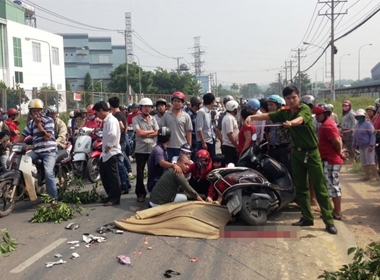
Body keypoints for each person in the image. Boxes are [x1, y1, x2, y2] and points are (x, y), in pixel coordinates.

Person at [245, 86, 337, 235]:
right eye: (288, 98)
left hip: (312, 154)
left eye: (294, 97)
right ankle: (307, 217)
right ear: (285, 100)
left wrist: (291, 123)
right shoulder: (286, 112)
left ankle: (329, 221)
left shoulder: (305, 109)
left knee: (320, 187)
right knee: (300, 187)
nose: (292, 100)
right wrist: (252, 117)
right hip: (296, 153)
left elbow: (301, 119)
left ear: (298, 96)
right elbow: (269, 116)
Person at [15, 99, 58, 206]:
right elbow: (22, 137)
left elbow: (47, 137)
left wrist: (39, 124)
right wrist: (11, 143)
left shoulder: (49, 120)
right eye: (33, 111)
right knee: (21, 163)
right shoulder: (30, 123)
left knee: (48, 173)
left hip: (49, 151)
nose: (35, 113)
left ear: (41, 111)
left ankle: (54, 199)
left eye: (37, 111)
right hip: (36, 150)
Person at [313, 104, 344, 220]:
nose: (316, 117)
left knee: (333, 185)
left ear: (325, 114)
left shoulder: (328, 125)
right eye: (316, 114)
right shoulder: (325, 125)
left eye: (319, 114)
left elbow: (337, 142)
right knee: (329, 185)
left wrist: (339, 152)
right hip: (328, 159)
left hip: (331, 159)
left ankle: (337, 211)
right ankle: (332, 210)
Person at [93, 101, 122, 206]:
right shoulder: (107, 120)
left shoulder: (111, 120)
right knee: (105, 176)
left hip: (111, 152)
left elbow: (113, 134)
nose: (97, 115)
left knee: (112, 177)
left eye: (97, 112)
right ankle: (110, 195)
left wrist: (108, 146)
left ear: (101, 110)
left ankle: (115, 198)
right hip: (106, 153)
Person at [133, 98, 159, 202]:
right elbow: (139, 133)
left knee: (152, 171)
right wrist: (151, 132)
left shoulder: (153, 118)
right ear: (141, 108)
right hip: (140, 150)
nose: (148, 109)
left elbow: (157, 132)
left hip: (152, 149)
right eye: (145, 106)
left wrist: (146, 133)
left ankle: (153, 190)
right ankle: (140, 193)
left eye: (149, 107)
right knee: (140, 172)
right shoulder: (136, 119)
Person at [109, 96, 132, 194]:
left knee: (119, 164)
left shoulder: (117, 116)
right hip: (122, 140)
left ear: (111, 105)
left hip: (120, 141)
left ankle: (124, 185)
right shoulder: (122, 114)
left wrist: (118, 134)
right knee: (122, 160)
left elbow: (122, 127)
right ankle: (127, 182)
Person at [160, 91, 193, 161]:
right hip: (169, 146)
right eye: (175, 101)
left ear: (182, 103)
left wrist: (189, 146)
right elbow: (162, 129)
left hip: (182, 147)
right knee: (170, 168)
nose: (176, 103)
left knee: (181, 168)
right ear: (172, 102)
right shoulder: (166, 115)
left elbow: (188, 132)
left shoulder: (186, 116)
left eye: (179, 101)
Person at [147, 126, 182, 192]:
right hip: (156, 182)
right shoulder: (159, 150)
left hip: (158, 181)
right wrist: (173, 165)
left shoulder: (161, 148)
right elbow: (161, 162)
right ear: (169, 139)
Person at [265, 94, 291, 173]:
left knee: (286, 170)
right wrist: (268, 143)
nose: (269, 107)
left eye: (271, 105)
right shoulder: (269, 117)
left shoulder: (284, 116)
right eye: (268, 105)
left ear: (278, 105)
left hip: (283, 148)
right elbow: (267, 131)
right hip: (273, 148)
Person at [353, 109, 379, 181]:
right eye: (358, 116)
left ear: (364, 116)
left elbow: (372, 135)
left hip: (368, 146)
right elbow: (355, 136)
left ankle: (376, 176)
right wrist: (354, 145)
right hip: (361, 147)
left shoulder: (368, 124)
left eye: (361, 116)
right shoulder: (357, 126)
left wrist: (371, 145)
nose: (359, 118)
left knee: (371, 162)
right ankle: (367, 176)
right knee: (364, 162)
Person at [196, 93, 216, 159]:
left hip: (211, 140)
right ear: (211, 102)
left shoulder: (210, 111)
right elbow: (199, 128)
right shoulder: (201, 112)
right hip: (204, 142)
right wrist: (203, 142)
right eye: (214, 102)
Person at [221, 100, 239, 165]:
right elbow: (230, 134)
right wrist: (237, 146)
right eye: (236, 109)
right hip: (230, 147)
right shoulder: (229, 118)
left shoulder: (229, 117)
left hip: (230, 146)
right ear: (234, 109)